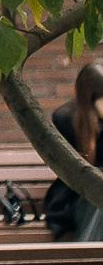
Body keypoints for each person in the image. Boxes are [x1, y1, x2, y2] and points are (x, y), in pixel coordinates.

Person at [43, 55, 103, 241]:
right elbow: (74, 175)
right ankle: (90, 260)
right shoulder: (66, 120)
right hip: (74, 199)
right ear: (90, 99)